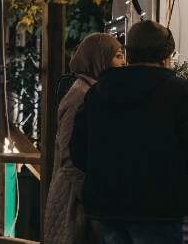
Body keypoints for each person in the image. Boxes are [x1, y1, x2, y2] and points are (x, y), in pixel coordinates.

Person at [70, 20, 188, 244]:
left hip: (108, 208)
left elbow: (78, 151)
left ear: (130, 54)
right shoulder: (175, 90)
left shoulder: (98, 91)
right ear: (166, 56)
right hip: (158, 209)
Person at [44, 33, 125, 244]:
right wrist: (92, 195)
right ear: (99, 59)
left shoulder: (91, 90)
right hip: (74, 200)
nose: (123, 62)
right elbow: (69, 154)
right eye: (117, 56)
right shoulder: (81, 95)